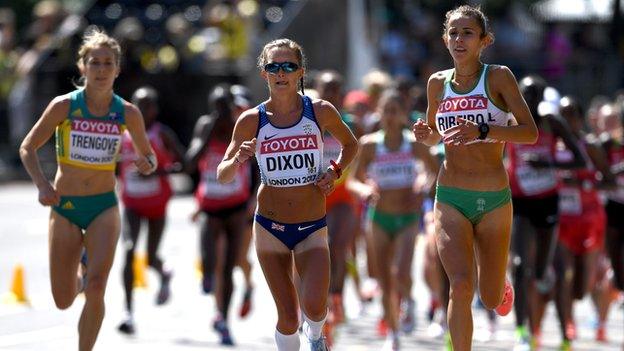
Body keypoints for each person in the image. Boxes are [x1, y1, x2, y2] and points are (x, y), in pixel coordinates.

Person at [18, 28, 156, 351]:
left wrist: (147, 163)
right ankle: (80, 268)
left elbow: (147, 154)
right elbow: (27, 147)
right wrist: (42, 185)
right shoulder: (64, 106)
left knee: (96, 288)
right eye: (94, 63)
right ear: (82, 67)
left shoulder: (127, 112)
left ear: (117, 70)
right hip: (65, 206)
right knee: (64, 300)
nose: (101, 70)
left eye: (108, 63)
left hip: (103, 207)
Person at [216, 38, 358, 351]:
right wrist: (238, 158)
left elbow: (351, 145)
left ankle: (317, 336)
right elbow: (222, 174)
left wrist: (334, 172)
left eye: (288, 66)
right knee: (288, 317)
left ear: (300, 72)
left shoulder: (319, 111)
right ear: (264, 74)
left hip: (311, 226)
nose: (281, 72)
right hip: (270, 227)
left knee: (315, 308)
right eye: (273, 67)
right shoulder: (252, 120)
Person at [411, 5, 538, 351]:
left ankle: (501, 287)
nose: (458, 39)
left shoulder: (498, 77)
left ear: (485, 41)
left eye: (467, 33)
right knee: (461, 286)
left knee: (490, 296)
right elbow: (438, 133)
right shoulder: (437, 83)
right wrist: (427, 135)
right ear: (444, 39)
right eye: (453, 32)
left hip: (494, 198)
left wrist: (483, 130)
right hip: (451, 195)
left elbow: (529, 133)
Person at [348, 89, 439, 350]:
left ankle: (408, 301)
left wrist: (422, 188)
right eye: (385, 111)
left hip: (407, 218)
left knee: (400, 270)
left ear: (403, 116)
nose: (389, 117)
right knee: (384, 279)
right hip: (378, 218)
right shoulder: (369, 144)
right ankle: (393, 333)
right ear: (379, 113)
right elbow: (353, 180)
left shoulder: (414, 143)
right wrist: (365, 190)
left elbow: (435, 171)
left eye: (394, 111)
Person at [505, 78, 585, 350]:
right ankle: (521, 332)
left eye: (534, 95)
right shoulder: (509, 122)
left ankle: (544, 274)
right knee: (518, 266)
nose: (528, 99)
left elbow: (580, 160)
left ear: (542, 98)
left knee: (539, 273)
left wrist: (547, 163)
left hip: (548, 201)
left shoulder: (552, 123)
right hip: (520, 201)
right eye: (524, 94)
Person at [186, 84, 257, 345]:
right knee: (213, 262)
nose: (224, 113)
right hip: (210, 205)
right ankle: (214, 298)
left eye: (226, 108)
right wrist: (208, 134)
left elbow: (257, 169)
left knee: (233, 263)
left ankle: (228, 312)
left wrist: (253, 199)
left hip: (238, 206)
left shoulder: (244, 127)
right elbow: (191, 163)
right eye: (218, 108)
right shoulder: (206, 126)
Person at [116, 86, 185, 335]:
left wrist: (157, 172)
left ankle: (164, 274)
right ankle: (128, 312)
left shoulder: (161, 133)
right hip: (132, 204)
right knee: (129, 249)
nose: (143, 110)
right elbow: (114, 166)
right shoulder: (122, 134)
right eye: (138, 105)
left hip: (157, 204)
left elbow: (184, 164)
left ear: (154, 109)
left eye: (147, 105)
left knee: (151, 256)